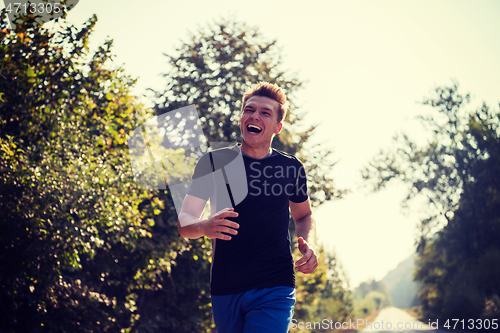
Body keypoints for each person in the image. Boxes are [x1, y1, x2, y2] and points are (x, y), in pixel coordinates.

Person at [177, 82, 318, 333]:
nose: (254, 115)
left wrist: (309, 243)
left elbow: (304, 214)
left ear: (278, 126)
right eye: (249, 110)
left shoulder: (290, 168)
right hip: (225, 285)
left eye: (265, 112)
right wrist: (204, 226)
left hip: (275, 284)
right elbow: (185, 220)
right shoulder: (214, 161)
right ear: (242, 117)